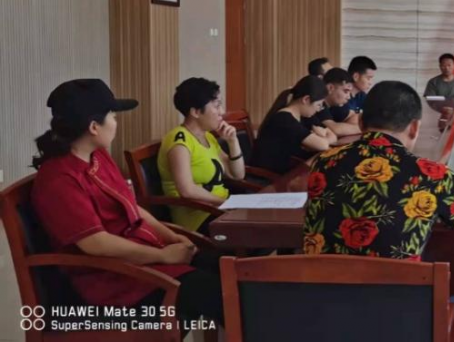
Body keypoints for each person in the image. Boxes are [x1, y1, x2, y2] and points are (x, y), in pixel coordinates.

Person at [31, 79, 223, 328]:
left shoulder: (98, 156)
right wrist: (162, 256)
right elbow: (95, 243)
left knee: (223, 267)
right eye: (112, 116)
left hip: (140, 259)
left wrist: (171, 238)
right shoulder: (59, 178)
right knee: (215, 292)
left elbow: (132, 206)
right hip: (112, 283)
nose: (116, 122)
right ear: (94, 127)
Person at [303, 80, 454, 341]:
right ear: (414, 127)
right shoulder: (433, 174)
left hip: (325, 318)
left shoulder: (323, 163)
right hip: (399, 324)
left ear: (361, 123)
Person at [158, 78, 246, 233]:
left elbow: (237, 175)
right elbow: (187, 190)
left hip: (220, 210)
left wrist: (233, 141)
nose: (222, 112)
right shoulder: (179, 141)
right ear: (196, 112)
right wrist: (225, 203)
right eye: (216, 106)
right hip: (200, 218)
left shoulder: (208, 137)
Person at [251, 76, 336, 174]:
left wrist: (320, 138)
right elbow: (323, 145)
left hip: (292, 169)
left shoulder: (305, 115)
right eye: (319, 105)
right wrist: (321, 137)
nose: (318, 109)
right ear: (306, 99)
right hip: (272, 176)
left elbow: (333, 136)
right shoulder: (284, 119)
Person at [306, 67, 362, 137]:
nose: (349, 97)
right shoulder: (318, 102)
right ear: (330, 88)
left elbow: (355, 116)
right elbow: (335, 129)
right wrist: (364, 128)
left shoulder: (336, 104)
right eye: (346, 91)